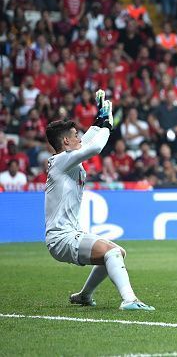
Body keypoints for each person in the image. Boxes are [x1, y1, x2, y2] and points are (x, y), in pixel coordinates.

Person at [44, 90, 154, 311]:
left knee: (118, 252)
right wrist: (107, 127)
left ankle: (84, 296)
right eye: (75, 135)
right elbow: (94, 146)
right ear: (66, 141)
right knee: (111, 253)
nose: (79, 138)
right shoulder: (61, 161)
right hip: (61, 237)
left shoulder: (66, 159)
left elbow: (87, 140)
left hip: (70, 233)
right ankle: (130, 300)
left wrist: (100, 118)